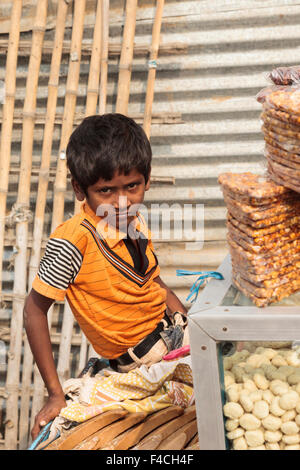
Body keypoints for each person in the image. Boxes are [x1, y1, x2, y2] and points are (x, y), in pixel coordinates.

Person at [24, 113, 189, 441]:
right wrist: (55, 394)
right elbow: (34, 311)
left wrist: (188, 321)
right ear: (80, 189)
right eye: (106, 191)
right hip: (141, 359)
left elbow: (154, 282)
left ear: (147, 179)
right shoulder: (74, 241)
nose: (122, 202)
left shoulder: (135, 223)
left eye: (132, 186)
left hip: (173, 336)